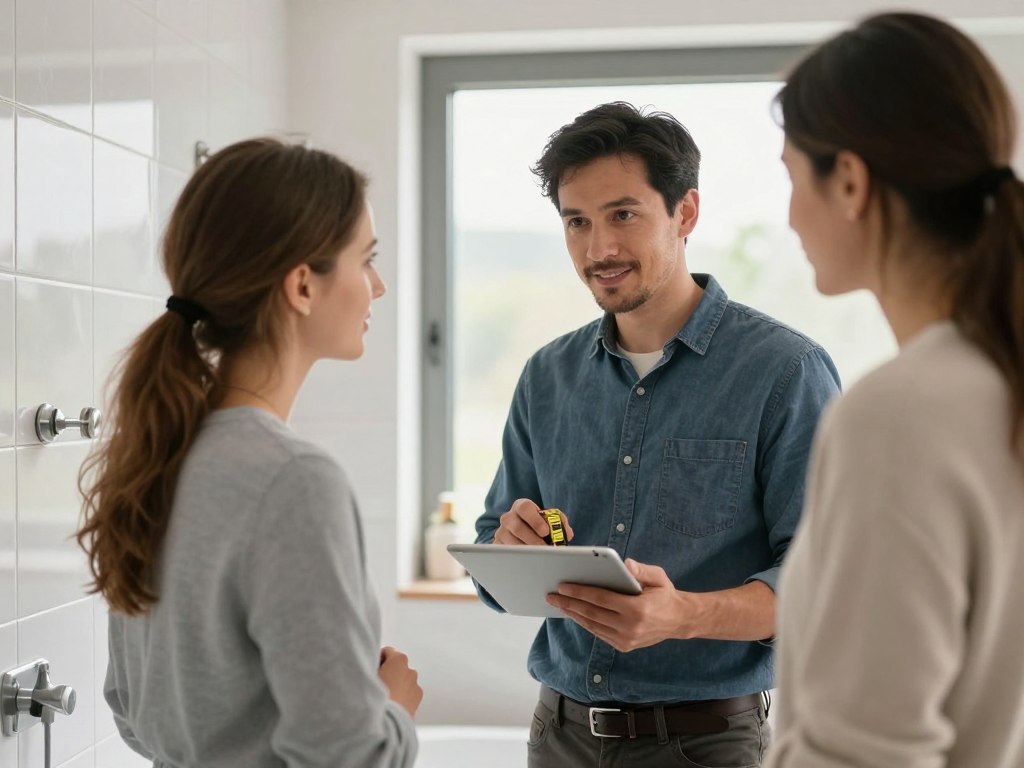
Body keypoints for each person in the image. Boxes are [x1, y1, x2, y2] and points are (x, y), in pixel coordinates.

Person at [473, 102, 841, 767]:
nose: (599, 249)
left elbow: (824, 582)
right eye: (576, 222)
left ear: (686, 214)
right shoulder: (546, 376)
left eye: (623, 215)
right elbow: (492, 558)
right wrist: (507, 547)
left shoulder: (785, 372)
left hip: (703, 742)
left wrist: (686, 616)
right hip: (556, 734)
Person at [76, 138, 421, 767]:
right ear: (301, 286)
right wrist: (391, 707)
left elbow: (131, 708)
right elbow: (349, 758)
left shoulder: (159, 453)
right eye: (364, 260)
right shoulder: (295, 481)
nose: (378, 285)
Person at [766, 12, 1024, 768]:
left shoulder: (901, 416)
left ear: (849, 180)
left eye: (790, 176)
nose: (786, 216)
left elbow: (864, 754)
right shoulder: (994, 384)